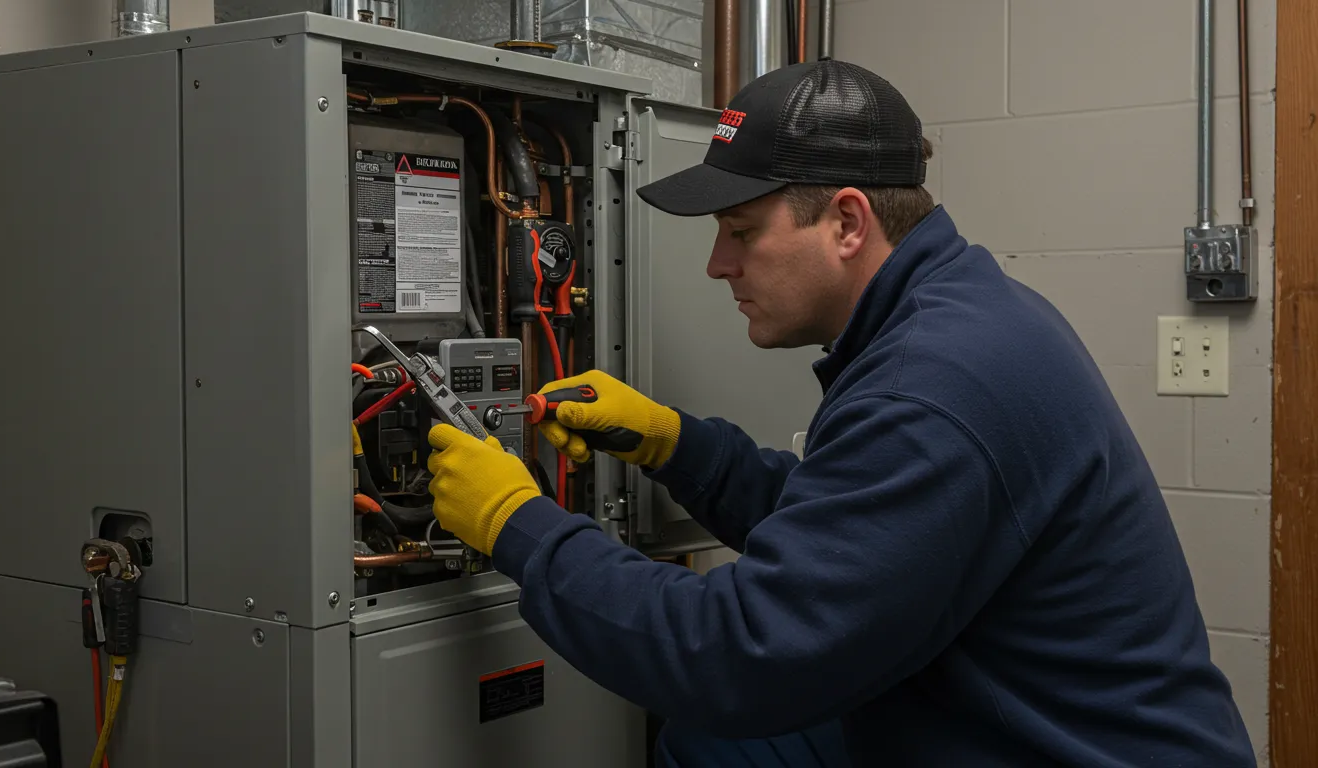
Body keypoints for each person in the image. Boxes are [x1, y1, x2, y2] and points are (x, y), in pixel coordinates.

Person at [424, 59, 1257, 766]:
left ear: (848, 222)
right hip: (990, 716)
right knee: (713, 747)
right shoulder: (954, 310)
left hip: (1063, 750)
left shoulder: (932, 386)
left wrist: (517, 523)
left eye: (740, 231)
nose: (718, 264)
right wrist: (678, 447)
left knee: (721, 723)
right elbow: (865, 537)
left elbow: (739, 655)